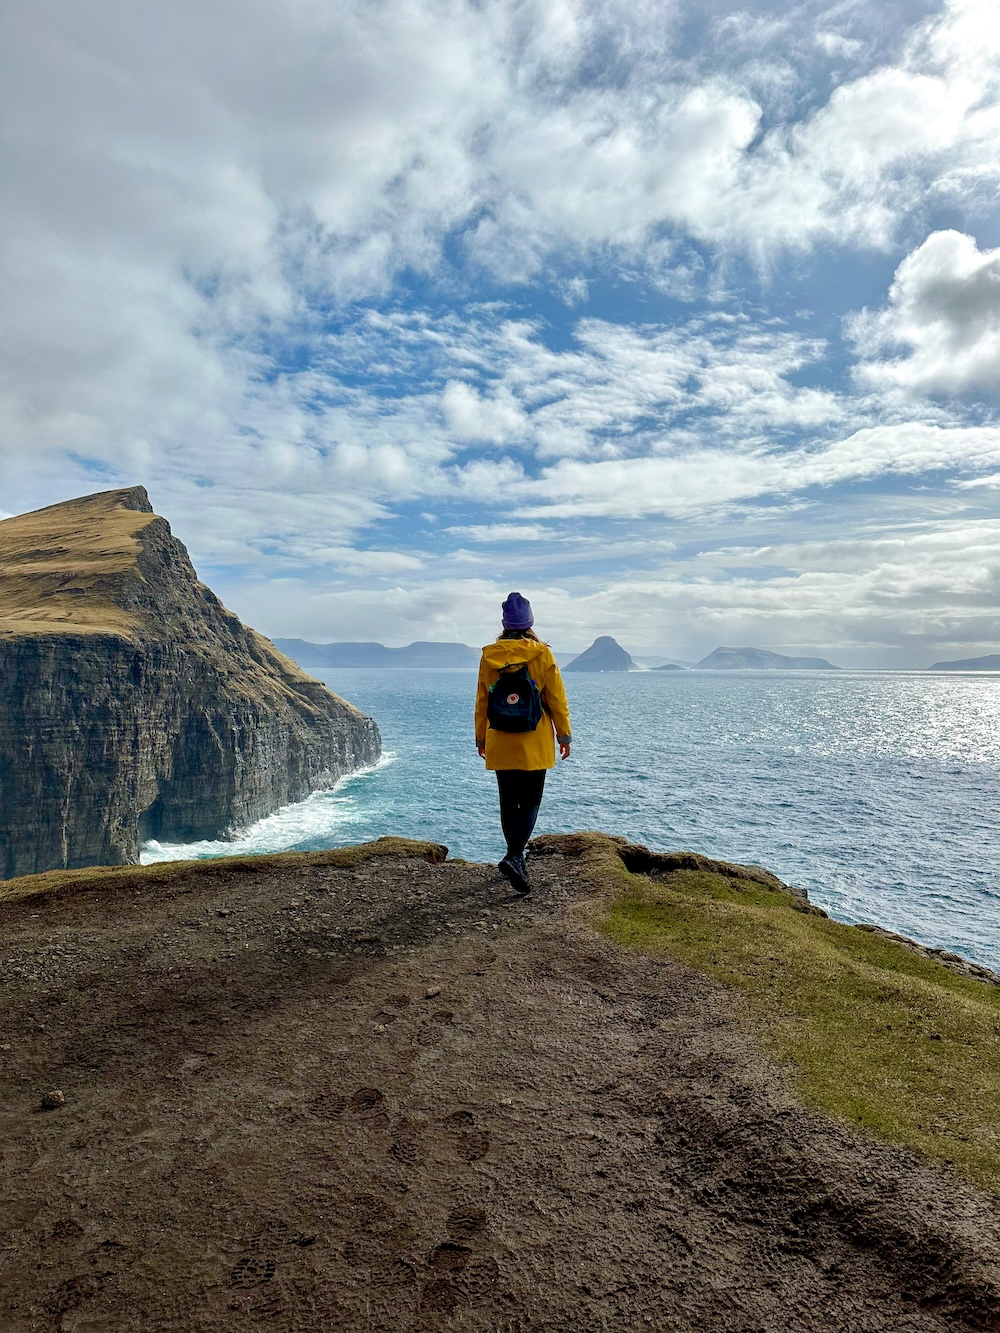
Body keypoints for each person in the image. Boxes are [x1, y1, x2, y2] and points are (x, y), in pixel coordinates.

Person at [475, 592, 572, 895]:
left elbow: (482, 699)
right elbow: (556, 697)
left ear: (504, 624)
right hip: (534, 740)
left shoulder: (489, 656)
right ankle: (515, 856)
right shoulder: (542, 654)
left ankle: (514, 858)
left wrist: (481, 737)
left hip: (500, 738)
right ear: (530, 622)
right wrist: (564, 734)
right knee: (530, 801)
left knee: (508, 801)